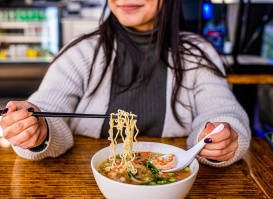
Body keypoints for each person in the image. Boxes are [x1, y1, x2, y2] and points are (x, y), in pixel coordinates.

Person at [0, 0, 250, 167]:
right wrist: (37, 128)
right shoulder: (81, 52)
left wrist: (222, 138)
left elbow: (221, 110)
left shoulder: (197, 54)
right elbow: (47, 104)